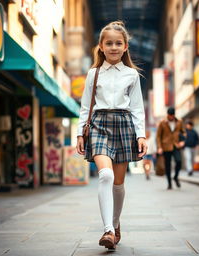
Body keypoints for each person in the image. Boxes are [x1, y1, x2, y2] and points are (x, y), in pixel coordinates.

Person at [76, 21, 147, 249]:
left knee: (118, 183)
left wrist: (141, 135)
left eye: (118, 43)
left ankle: (116, 224)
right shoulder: (93, 73)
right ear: (101, 46)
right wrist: (80, 133)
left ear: (125, 46)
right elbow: (86, 106)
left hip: (124, 125)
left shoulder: (132, 75)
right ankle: (107, 229)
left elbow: (137, 107)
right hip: (99, 125)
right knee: (105, 175)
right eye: (109, 43)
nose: (114, 47)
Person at [157, 107, 185, 190]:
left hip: (176, 145)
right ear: (167, 115)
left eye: (172, 115)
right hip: (165, 147)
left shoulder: (179, 122)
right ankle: (169, 183)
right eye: (169, 115)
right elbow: (158, 136)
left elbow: (183, 132)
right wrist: (159, 147)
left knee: (179, 161)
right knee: (167, 166)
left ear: (174, 115)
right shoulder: (162, 123)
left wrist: (183, 141)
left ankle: (176, 177)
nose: (171, 117)